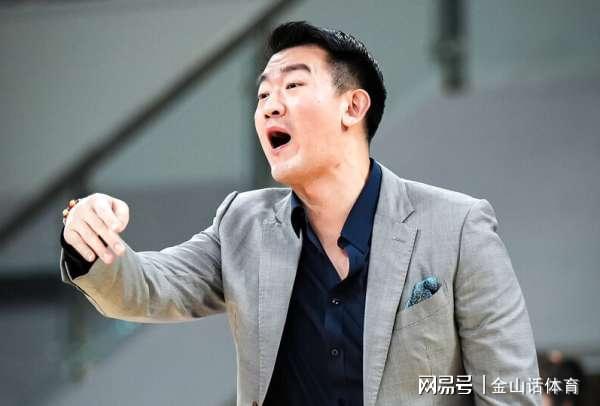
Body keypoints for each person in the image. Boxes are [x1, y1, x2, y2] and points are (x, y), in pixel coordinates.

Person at [59, 21, 540, 406]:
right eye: (262, 95)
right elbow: (146, 288)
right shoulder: (241, 223)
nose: (270, 105)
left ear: (353, 107)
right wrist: (90, 236)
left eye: (292, 85)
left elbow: (509, 391)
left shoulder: (457, 227)